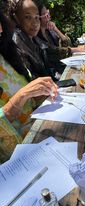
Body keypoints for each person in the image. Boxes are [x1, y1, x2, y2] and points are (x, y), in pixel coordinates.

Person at [0, 10, 58, 163]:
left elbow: (29, 95)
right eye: (27, 17)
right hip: (13, 163)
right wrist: (22, 95)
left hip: (39, 133)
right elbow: (22, 94)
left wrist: (42, 91)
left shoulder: (7, 53)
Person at [11, 0, 66, 80]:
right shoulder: (17, 45)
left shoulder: (32, 39)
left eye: (36, 17)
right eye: (28, 17)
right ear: (16, 18)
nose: (35, 23)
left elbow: (54, 51)